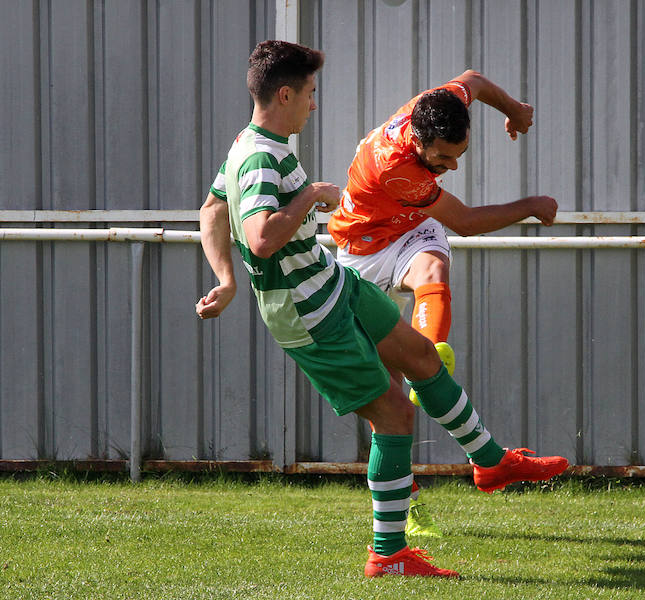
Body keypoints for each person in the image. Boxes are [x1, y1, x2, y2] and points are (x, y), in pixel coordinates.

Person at [195, 40, 568, 579]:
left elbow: (211, 208)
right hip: (306, 311)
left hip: (331, 281)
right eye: (310, 94)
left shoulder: (251, 144)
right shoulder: (260, 157)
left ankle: (490, 462)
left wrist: (226, 281)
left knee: (421, 356)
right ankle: (388, 554)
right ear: (284, 93)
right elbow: (260, 238)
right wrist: (312, 196)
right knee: (395, 414)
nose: (314, 105)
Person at [327, 69, 558, 406]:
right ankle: (417, 386)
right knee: (388, 399)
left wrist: (513, 109)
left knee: (434, 270)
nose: (453, 167)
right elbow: (464, 221)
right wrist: (531, 205)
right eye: (443, 158)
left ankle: (426, 369)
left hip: (410, 228)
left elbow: (474, 81)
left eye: (459, 154)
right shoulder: (395, 168)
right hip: (363, 250)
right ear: (417, 141)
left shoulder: (437, 105)